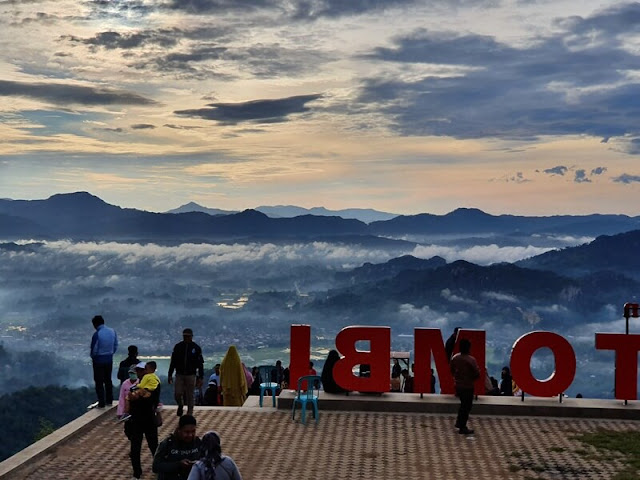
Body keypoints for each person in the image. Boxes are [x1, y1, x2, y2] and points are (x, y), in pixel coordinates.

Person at [127, 362, 160, 479]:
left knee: (154, 446)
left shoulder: (153, 385)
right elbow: (131, 398)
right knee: (135, 448)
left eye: (142, 370)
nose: (139, 373)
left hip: (148, 419)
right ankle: (137, 473)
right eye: (138, 371)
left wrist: (137, 394)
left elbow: (145, 397)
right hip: (136, 421)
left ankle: (159, 469)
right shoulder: (136, 387)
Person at [168, 328, 204, 417]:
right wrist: (170, 374)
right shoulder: (178, 347)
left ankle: (190, 412)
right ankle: (180, 404)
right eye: (184, 336)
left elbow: (200, 364)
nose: (186, 338)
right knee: (177, 393)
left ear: (191, 336)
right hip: (179, 374)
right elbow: (173, 361)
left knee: (190, 394)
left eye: (188, 336)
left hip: (191, 374)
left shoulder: (196, 348)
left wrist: (200, 377)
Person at [153, 414, 201, 480]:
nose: (190, 435)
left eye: (193, 431)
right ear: (179, 430)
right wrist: (178, 464)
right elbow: (156, 466)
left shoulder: (198, 443)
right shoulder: (167, 444)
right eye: (186, 432)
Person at [450, 338, 480, 435]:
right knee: (466, 406)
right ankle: (462, 426)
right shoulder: (471, 360)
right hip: (468, 386)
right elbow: (477, 373)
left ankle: (459, 423)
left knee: (463, 405)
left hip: (458, 385)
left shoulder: (455, 357)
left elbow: (452, 370)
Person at [90, 315, 118, 408]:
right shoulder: (112, 331)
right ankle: (109, 400)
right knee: (108, 380)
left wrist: (93, 357)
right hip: (109, 359)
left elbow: (94, 349)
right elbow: (115, 345)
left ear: (95, 324)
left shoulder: (97, 334)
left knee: (99, 381)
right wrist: (110, 354)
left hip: (98, 360)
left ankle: (101, 402)